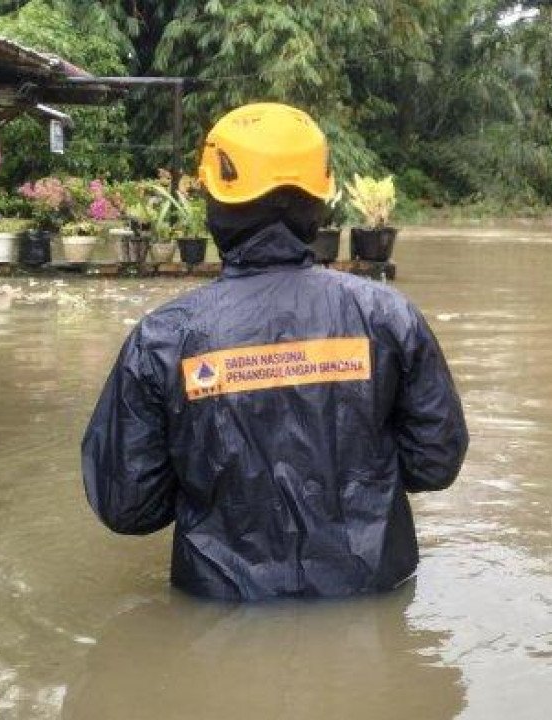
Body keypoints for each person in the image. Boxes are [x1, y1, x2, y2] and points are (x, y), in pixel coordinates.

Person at [81, 103, 467, 600]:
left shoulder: (163, 338)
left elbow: (128, 504)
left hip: (223, 605)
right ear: (320, 202)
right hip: (371, 590)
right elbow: (434, 463)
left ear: (216, 203)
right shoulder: (390, 318)